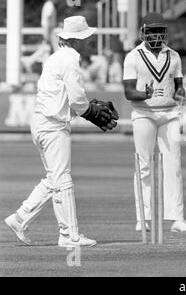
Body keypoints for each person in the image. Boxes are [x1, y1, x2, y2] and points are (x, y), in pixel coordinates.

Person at [4, 16, 119, 247]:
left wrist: (88, 109)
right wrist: (92, 112)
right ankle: (69, 235)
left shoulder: (57, 57)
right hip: (52, 125)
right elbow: (77, 100)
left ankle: (20, 218)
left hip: (42, 122)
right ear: (76, 40)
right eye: (85, 38)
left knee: (53, 178)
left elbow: (66, 99)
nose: (88, 42)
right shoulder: (70, 59)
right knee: (62, 179)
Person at [122, 13, 186, 233]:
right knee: (143, 165)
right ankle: (142, 217)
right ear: (143, 32)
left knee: (173, 165)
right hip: (144, 114)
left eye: (160, 31)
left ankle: (177, 218)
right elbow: (128, 92)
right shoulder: (133, 57)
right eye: (152, 31)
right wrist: (143, 93)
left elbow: (179, 84)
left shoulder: (173, 56)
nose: (157, 35)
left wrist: (181, 93)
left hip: (170, 113)